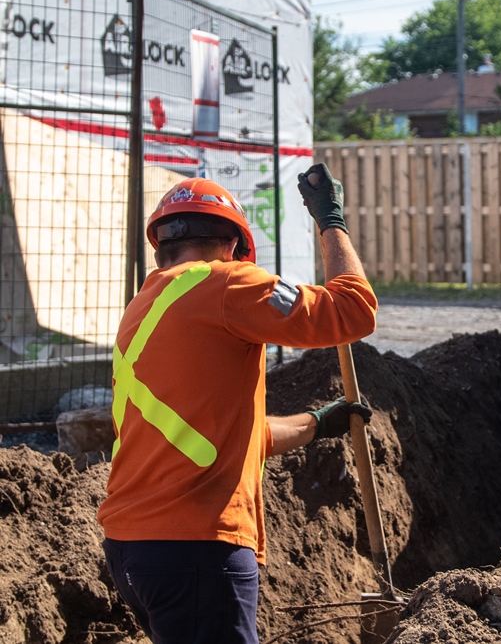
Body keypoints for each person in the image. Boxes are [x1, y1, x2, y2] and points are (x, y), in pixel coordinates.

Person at [96, 164, 377, 643]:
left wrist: (316, 423)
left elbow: (224, 436)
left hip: (132, 552)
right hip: (197, 550)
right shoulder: (228, 283)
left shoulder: (142, 309)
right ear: (232, 247)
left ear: (161, 245)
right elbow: (353, 310)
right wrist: (331, 220)